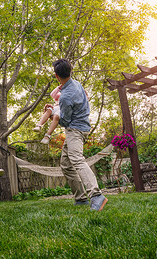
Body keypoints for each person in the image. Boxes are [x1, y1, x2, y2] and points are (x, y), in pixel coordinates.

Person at [53, 59, 107, 211]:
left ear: (57, 76)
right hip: (81, 127)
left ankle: (96, 195)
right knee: (65, 164)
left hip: (75, 131)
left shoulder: (65, 97)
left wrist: (53, 115)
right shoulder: (77, 84)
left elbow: (65, 121)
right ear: (71, 71)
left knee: (77, 160)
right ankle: (81, 198)